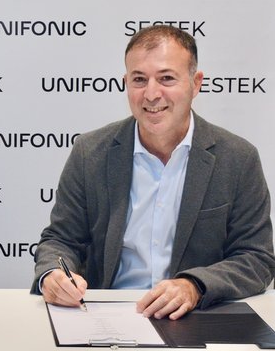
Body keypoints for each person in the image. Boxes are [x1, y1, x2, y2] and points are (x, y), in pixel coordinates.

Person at [32, 25, 275, 320]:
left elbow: (256, 258)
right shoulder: (90, 152)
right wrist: (53, 274)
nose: (151, 94)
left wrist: (194, 286)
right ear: (126, 83)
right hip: (108, 315)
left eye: (166, 78)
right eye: (139, 79)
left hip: (197, 314)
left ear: (195, 83)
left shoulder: (237, 158)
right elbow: (60, 239)